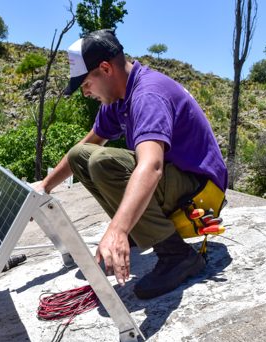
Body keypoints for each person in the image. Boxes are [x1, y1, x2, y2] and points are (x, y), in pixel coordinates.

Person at [37, 29, 228, 299]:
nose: (86, 93)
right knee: (82, 156)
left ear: (105, 68)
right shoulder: (119, 96)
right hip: (177, 179)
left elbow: (152, 166)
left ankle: (176, 255)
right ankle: (142, 233)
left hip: (200, 190)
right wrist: (43, 188)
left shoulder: (147, 95)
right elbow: (85, 146)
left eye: (86, 85)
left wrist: (117, 229)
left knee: (103, 162)